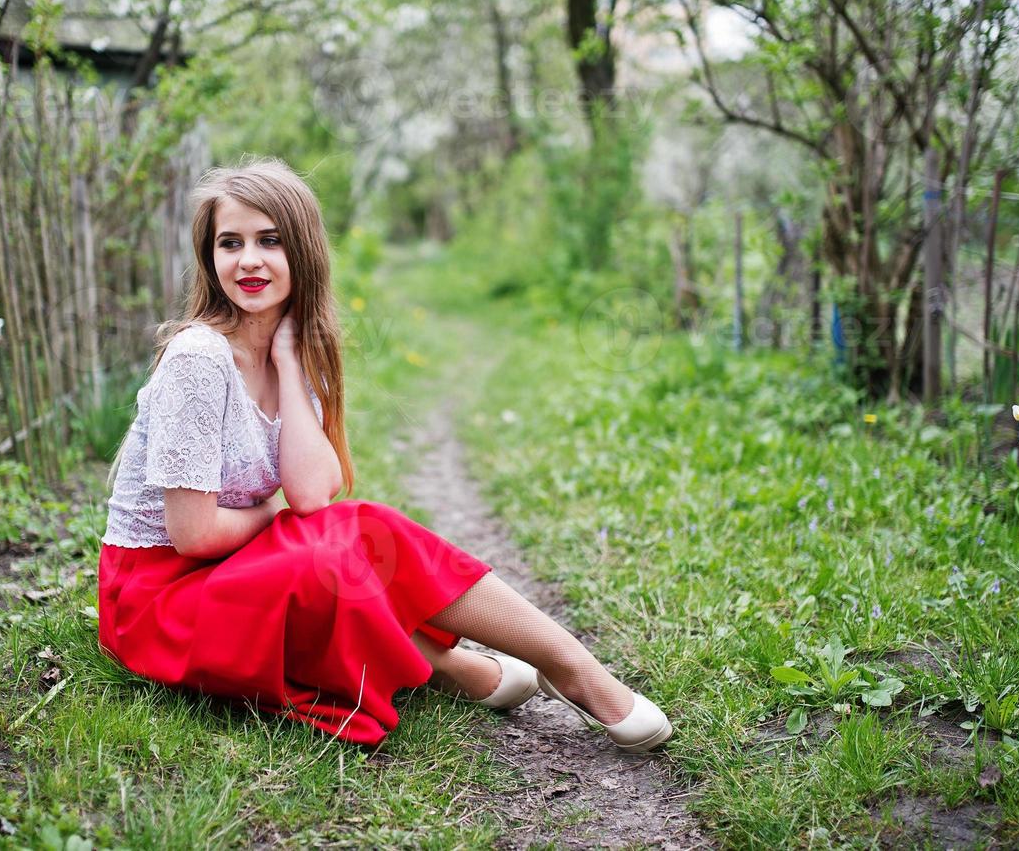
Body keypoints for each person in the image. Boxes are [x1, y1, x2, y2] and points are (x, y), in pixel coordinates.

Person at [98, 155, 672, 751]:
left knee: (344, 540)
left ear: (303, 252)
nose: (247, 260)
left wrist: (290, 364)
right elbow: (191, 535)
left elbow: (313, 494)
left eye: (269, 240)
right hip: (157, 598)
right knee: (339, 544)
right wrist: (277, 520)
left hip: (223, 566)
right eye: (229, 242)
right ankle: (472, 668)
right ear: (209, 257)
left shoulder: (286, 348)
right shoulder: (200, 358)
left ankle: (559, 665)